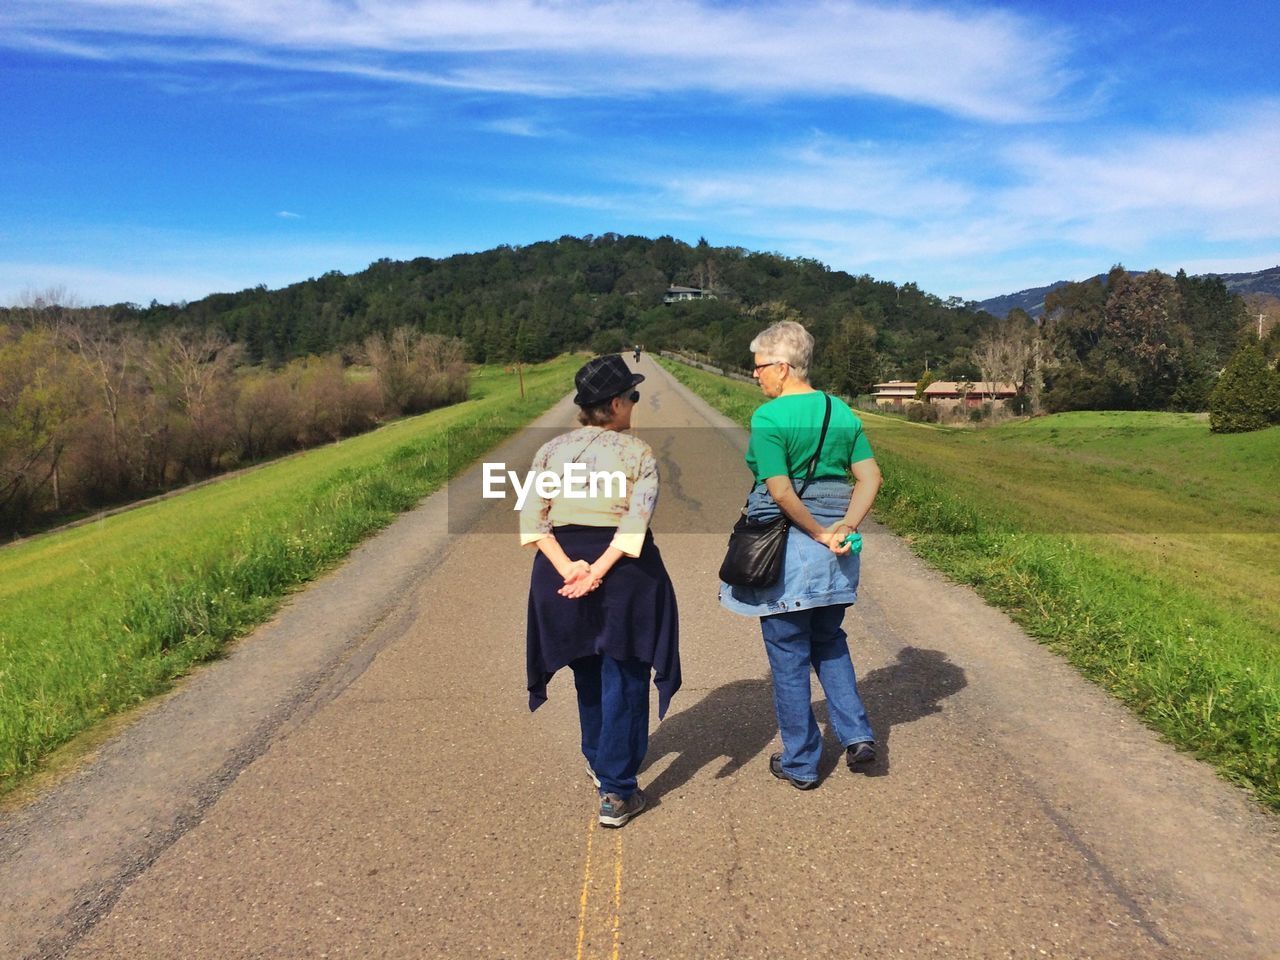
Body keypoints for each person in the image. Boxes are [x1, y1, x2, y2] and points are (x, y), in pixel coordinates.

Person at [719, 320, 882, 789]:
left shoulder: (770, 420)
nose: (755, 375)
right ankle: (856, 736)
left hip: (790, 547)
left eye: (760, 367)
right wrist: (843, 529)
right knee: (829, 639)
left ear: (784, 367)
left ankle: (802, 762)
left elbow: (781, 491)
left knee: (789, 654)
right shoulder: (841, 411)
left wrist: (815, 533)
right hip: (838, 547)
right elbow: (870, 478)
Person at [522, 354, 680, 827]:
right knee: (626, 674)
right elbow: (635, 525)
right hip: (624, 574)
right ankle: (617, 791)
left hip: (559, 572)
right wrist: (598, 572)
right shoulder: (637, 455)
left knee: (586, 669)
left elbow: (534, 521)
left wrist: (570, 568)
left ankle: (599, 759)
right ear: (614, 404)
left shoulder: (548, 452)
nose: (633, 403)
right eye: (631, 397)